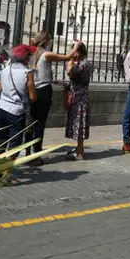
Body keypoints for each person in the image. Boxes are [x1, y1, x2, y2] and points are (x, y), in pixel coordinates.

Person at [28, 31, 79, 163]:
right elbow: (68, 57)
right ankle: (36, 153)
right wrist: (76, 46)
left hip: (31, 88)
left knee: (30, 122)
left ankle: (27, 151)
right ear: (46, 42)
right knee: (40, 123)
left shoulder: (31, 53)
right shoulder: (46, 54)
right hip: (43, 91)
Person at [0, 43, 37, 156]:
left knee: (1, 141)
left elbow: (1, 88)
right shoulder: (28, 73)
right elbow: (33, 97)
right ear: (27, 57)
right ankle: (7, 170)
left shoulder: (4, 70)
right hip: (17, 111)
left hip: (1, 107)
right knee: (14, 143)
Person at [64, 43, 94, 160]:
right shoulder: (86, 63)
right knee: (78, 123)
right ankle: (78, 148)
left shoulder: (83, 64)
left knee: (79, 123)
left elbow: (69, 72)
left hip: (79, 98)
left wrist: (70, 59)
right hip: (81, 95)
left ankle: (80, 152)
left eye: (73, 50)